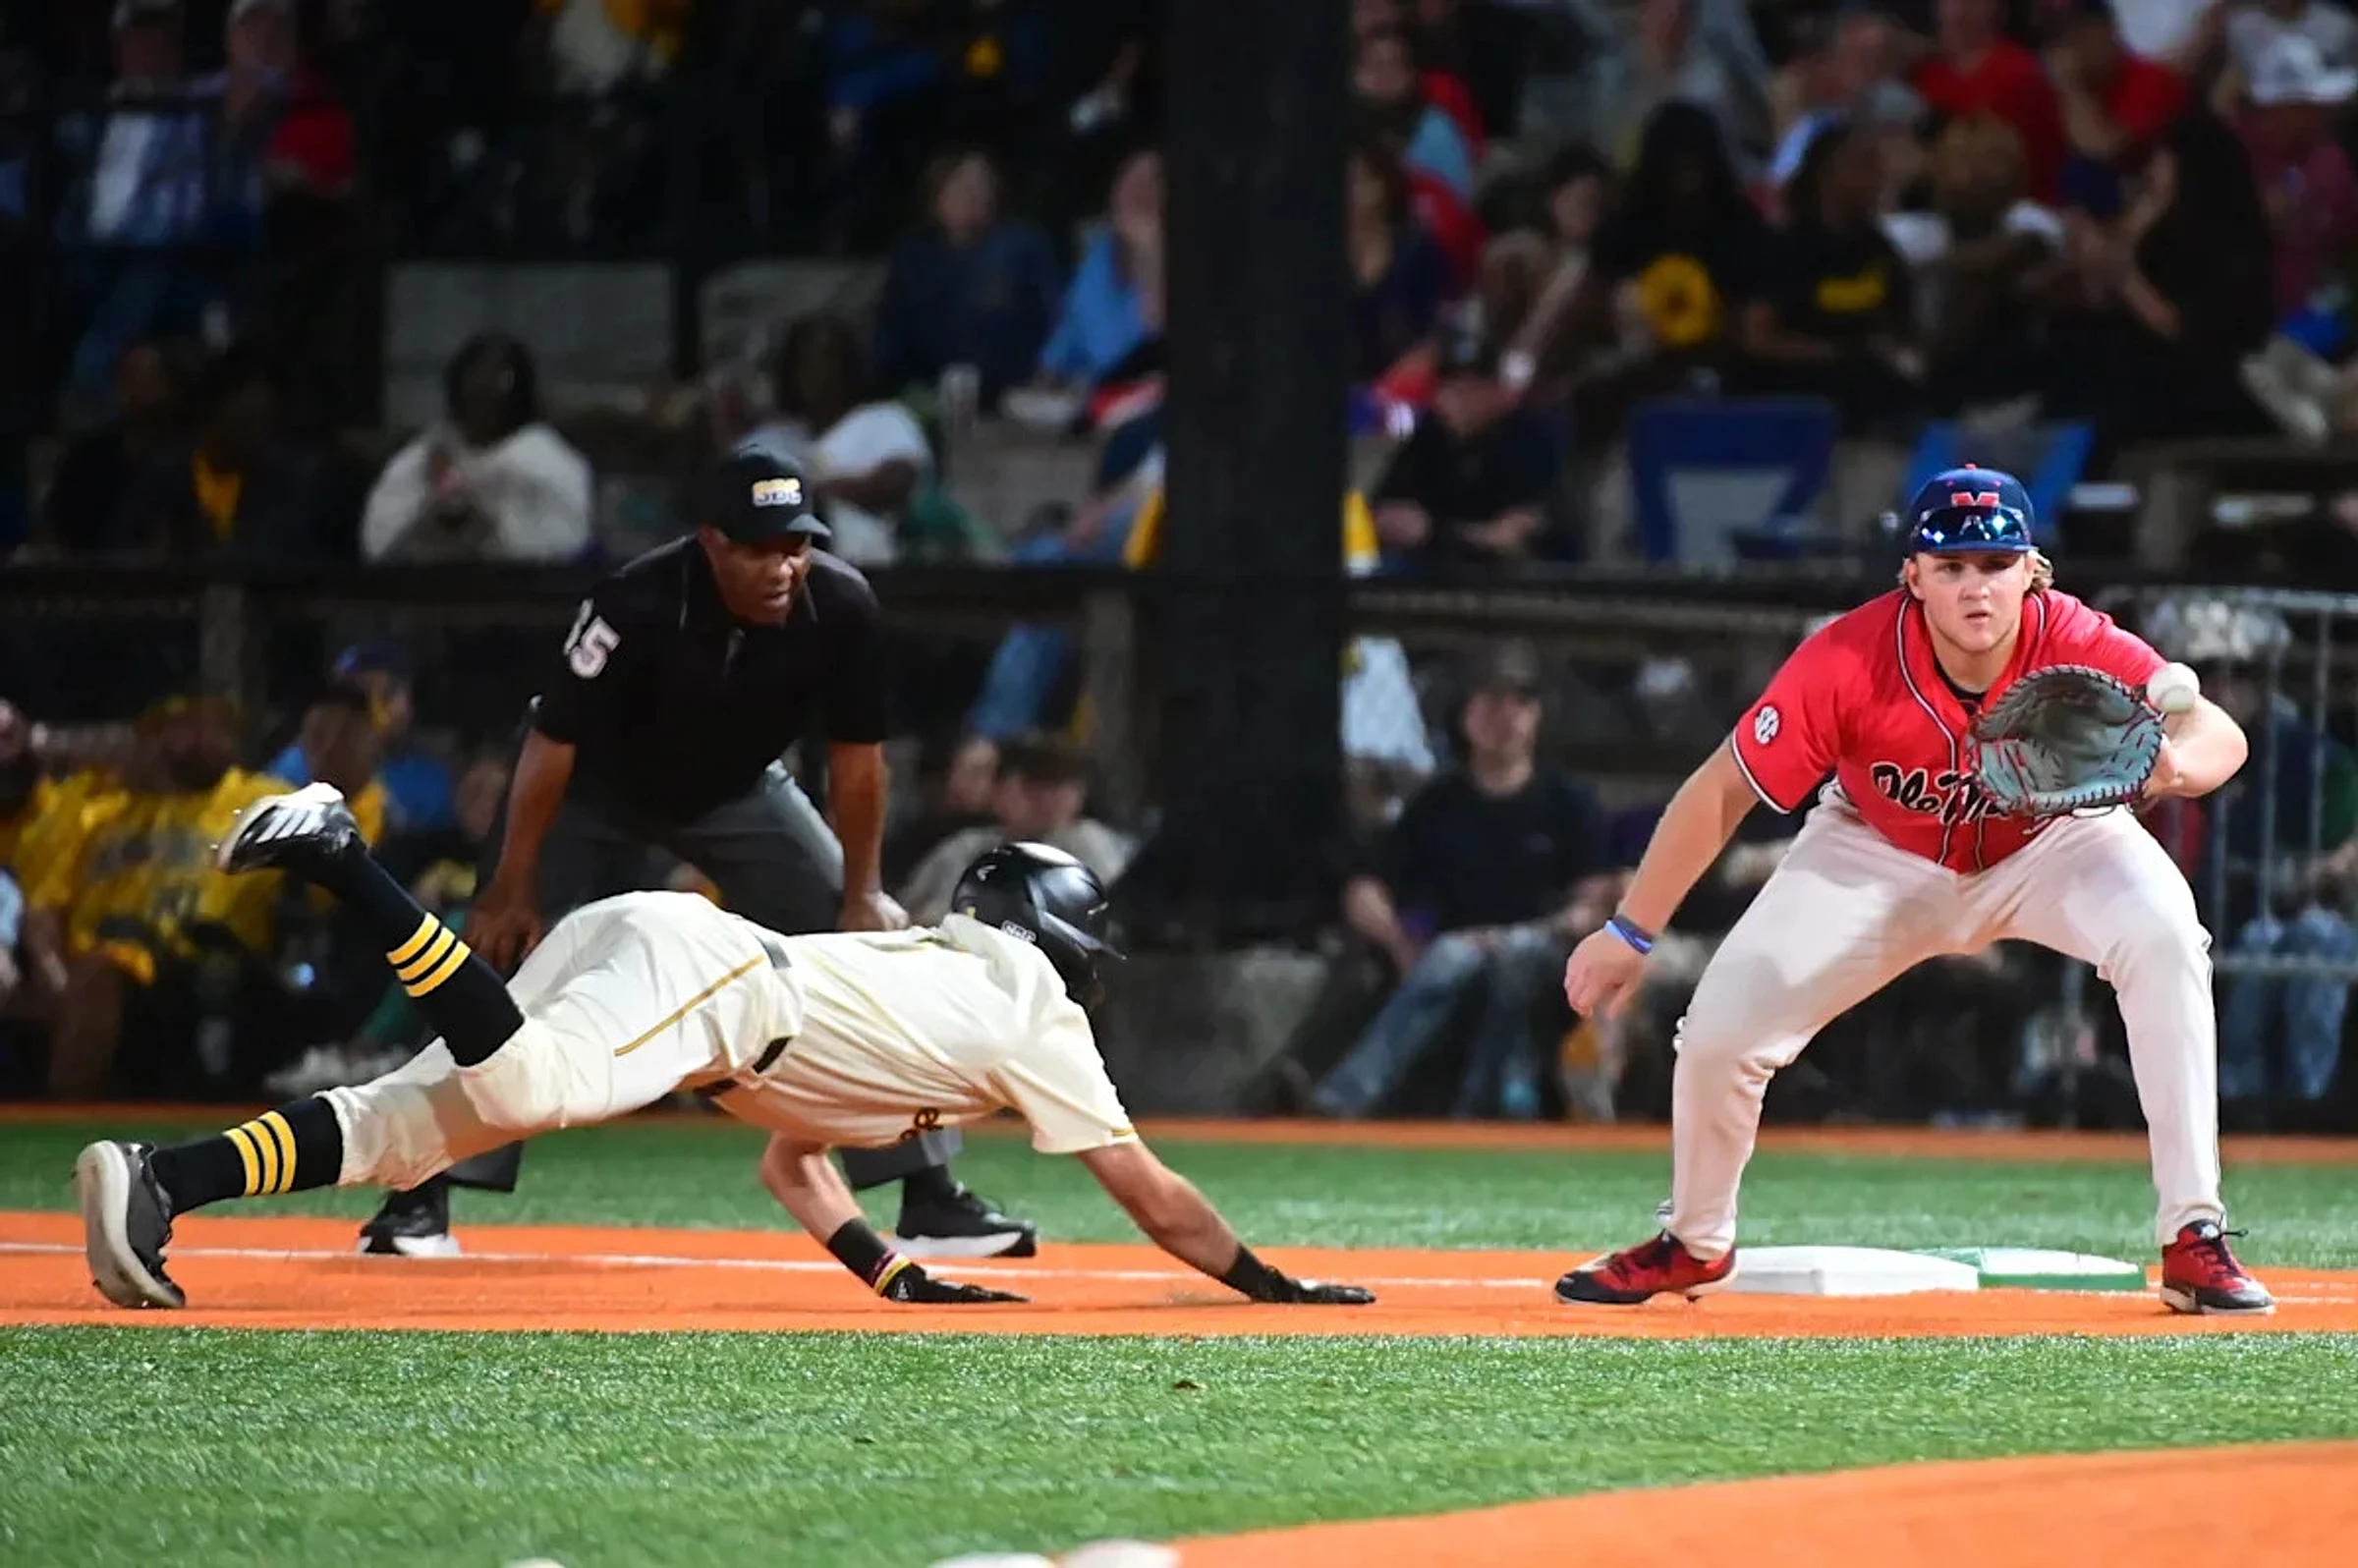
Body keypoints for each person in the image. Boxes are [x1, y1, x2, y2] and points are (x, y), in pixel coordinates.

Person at [74, 793, 1375, 1315]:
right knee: (523, 1085)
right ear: (1060, 933)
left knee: (404, 1131)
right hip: (715, 989)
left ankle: (159, 1182)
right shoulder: (1036, 1009)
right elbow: (1153, 1196)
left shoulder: (941, 976)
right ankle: (340, 857)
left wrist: (892, 1274)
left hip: (684, 960)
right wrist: (1268, 1284)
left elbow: (791, 1163)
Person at [1554, 465, 2274, 1316]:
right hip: (1876, 848)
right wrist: (1630, 932)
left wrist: (2174, 765)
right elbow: (1722, 789)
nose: (1976, 586)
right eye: (1951, 566)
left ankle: (2194, 1234)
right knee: (1720, 1033)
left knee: (2166, 939)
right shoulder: (1847, 657)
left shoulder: (2073, 634)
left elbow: (2216, 730)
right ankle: (1696, 1240)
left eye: (1996, 564)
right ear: (1913, 576)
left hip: (2051, 841)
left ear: (2032, 571)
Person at [353, 446, 1039, 1261]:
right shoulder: (634, 600)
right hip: (589, 789)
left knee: (863, 952)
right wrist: (510, 882)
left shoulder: (842, 604)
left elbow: (859, 763)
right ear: (712, 541)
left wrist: (864, 890)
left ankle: (930, 1197)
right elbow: (551, 742)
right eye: (758, 548)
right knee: (500, 961)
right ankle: (418, 1193)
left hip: (737, 789)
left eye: (796, 546)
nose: (783, 567)